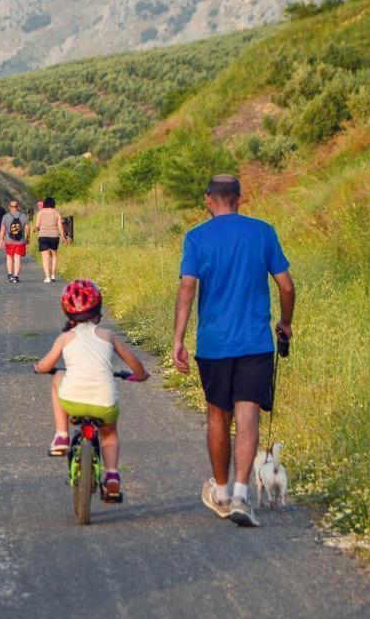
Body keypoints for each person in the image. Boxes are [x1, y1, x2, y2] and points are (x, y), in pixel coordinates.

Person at [171, 174, 296, 528]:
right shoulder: (262, 232)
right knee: (248, 415)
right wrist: (285, 323)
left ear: (209, 200)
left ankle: (222, 492)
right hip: (256, 342)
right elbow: (286, 286)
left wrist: (178, 338)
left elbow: (186, 289)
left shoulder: (196, 238)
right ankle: (242, 493)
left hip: (214, 344)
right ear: (239, 198)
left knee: (217, 416)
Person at [34, 280, 150, 500]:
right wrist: (141, 376)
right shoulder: (108, 336)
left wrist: (38, 368)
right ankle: (112, 474)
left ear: (68, 315)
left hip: (72, 400)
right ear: (98, 312)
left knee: (59, 375)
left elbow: (46, 366)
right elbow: (133, 362)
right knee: (109, 435)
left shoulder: (65, 338)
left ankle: (61, 435)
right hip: (104, 403)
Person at [34, 196, 65, 283]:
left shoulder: (41, 212)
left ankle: (47, 277)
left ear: (45, 204)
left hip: (43, 236)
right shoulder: (57, 213)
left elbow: (37, 226)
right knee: (54, 255)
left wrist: (35, 229)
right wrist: (63, 237)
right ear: (53, 204)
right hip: (54, 236)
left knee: (45, 256)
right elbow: (60, 227)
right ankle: (53, 274)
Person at [1, 200, 28, 283]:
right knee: (17, 257)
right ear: (17, 207)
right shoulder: (23, 216)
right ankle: (16, 276)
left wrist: (1, 239)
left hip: (9, 240)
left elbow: (2, 228)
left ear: (9, 207)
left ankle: (10, 275)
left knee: (9, 256)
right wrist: (28, 238)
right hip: (20, 241)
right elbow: (27, 228)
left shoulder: (5, 216)